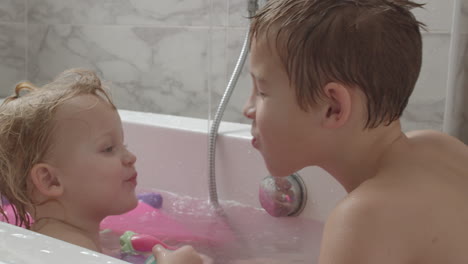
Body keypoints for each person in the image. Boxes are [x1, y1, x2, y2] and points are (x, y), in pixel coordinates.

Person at [243, 0, 468, 263]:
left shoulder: (363, 219)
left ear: (333, 107)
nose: (247, 108)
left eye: (262, 91)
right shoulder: (439, 147)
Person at [0, 69, 202, 264]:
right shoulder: (67, 249)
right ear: (50, 180)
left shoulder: (67, 239)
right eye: (108, 148)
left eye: (124, 145)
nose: (131, 157)